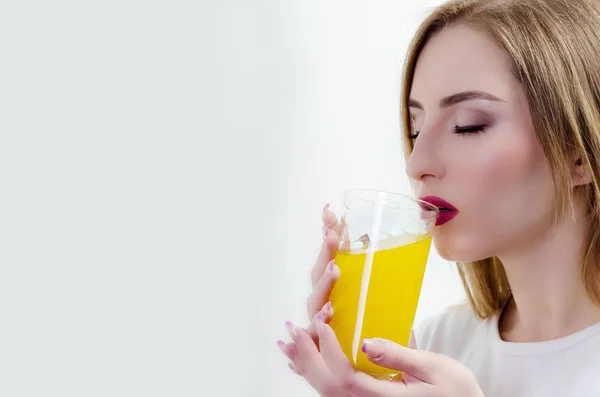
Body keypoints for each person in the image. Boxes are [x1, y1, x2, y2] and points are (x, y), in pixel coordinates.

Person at [277, 0, 600, 395]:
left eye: (468, 126)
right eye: (416, 129)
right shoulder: (434, 351)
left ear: (579, 154)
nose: (416, 164)